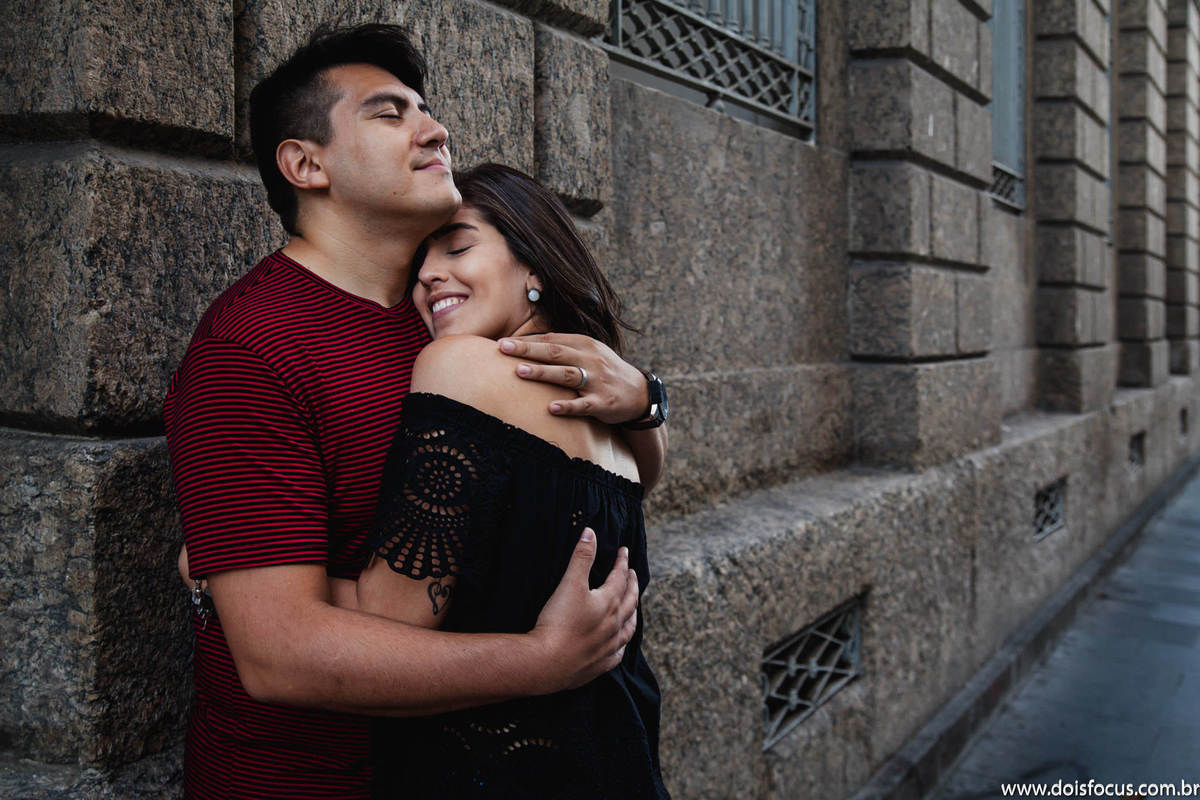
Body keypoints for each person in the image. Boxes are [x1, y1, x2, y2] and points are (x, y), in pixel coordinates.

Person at [163, 23, 668, 799]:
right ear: (306, 163)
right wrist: (539, 661)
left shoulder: (448, 325)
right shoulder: (251, 350)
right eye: (389, 112)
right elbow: (278, 657)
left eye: (425, 110)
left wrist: (644, 401)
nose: (434, 129)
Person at [356, 163, 669, 798]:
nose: (426, 275)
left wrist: (246, 570)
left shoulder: (458, 366)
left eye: (458, 244)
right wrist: (645, 397)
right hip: (617, 757)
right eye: (419, 260)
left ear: (535, 266)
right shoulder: (620, 420)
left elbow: (390, 621)